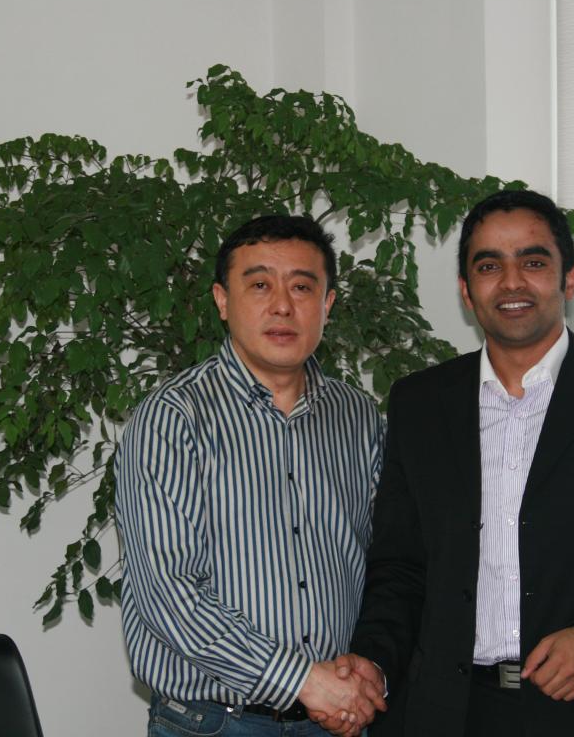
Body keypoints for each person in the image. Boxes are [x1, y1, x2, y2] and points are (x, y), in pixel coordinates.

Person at [321, 190, 574, 735]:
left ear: (569, 279)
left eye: (533, 263)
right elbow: (400, 566)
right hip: (449, 712)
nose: (511, 283)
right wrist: (374, 660)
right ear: (467, 290)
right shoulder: (420, 403)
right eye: (489, 266)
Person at [114, 214, 388, 736]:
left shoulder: (358, 416)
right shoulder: (173, 417)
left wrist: (368, 668)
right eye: (260, 285)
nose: (283, 305)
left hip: (338, 716)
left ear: (328, 303)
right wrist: (302, 681)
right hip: (214, 723)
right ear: (222, 300)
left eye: (302, 287)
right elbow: (169, 592)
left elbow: (386, 560)